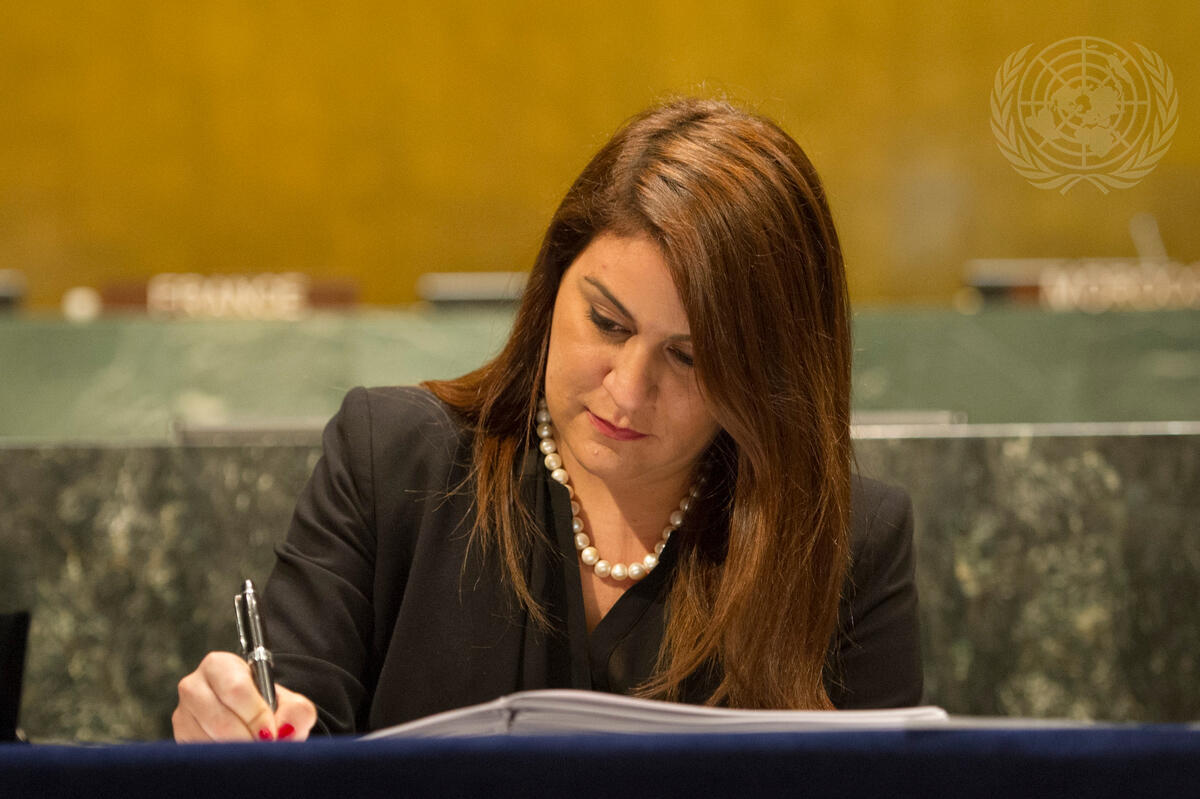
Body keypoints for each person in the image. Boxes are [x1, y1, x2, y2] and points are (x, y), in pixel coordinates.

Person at [172, 97, 921, 742]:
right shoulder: (391, 461)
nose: (628, 389)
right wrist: (229, 736)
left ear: (773, 374)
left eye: (690, 358)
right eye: (607, 322)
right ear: (553, 283)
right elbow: (288, 729)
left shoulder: (846, 542)